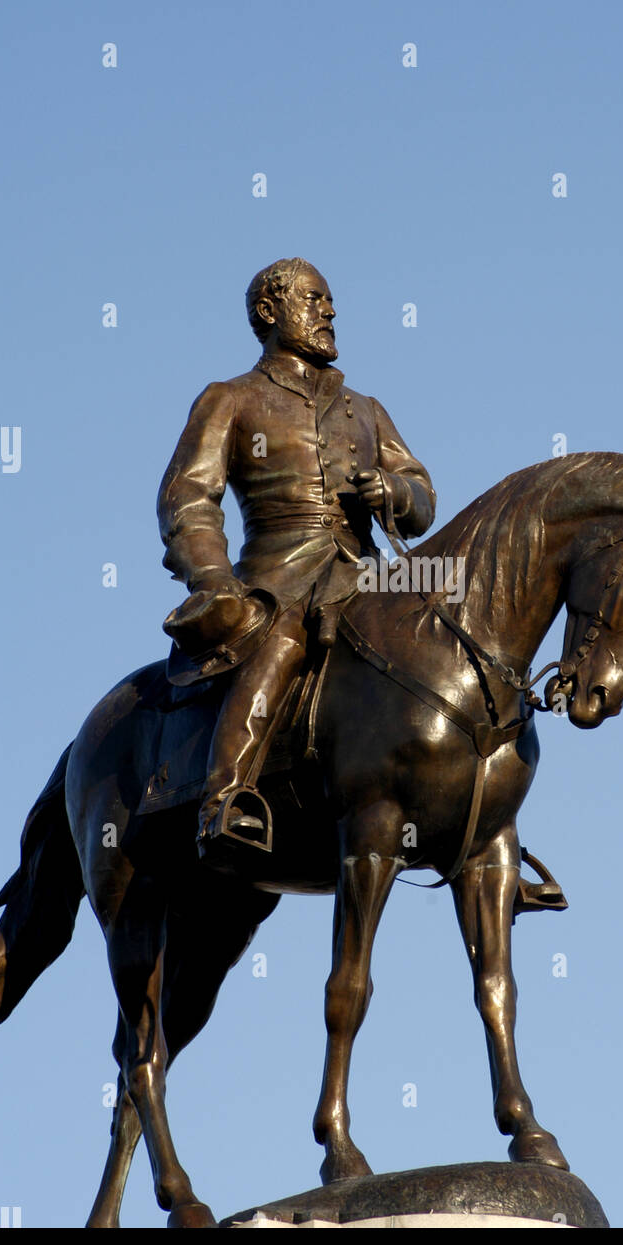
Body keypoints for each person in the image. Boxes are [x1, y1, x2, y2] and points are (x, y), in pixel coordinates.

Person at [157, 258, 436, 858]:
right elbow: (188, 499)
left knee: (449, 630)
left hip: (363, 572)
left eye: (330, 301)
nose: (329, 311)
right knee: (285, 641)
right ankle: (224, 798)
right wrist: (213, 577)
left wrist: (395, 492)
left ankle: (480, 820)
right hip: (280, 576)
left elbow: (421, 493)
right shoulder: (231, 398)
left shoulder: (366, 408)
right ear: (269, 312)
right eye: (313, 299)